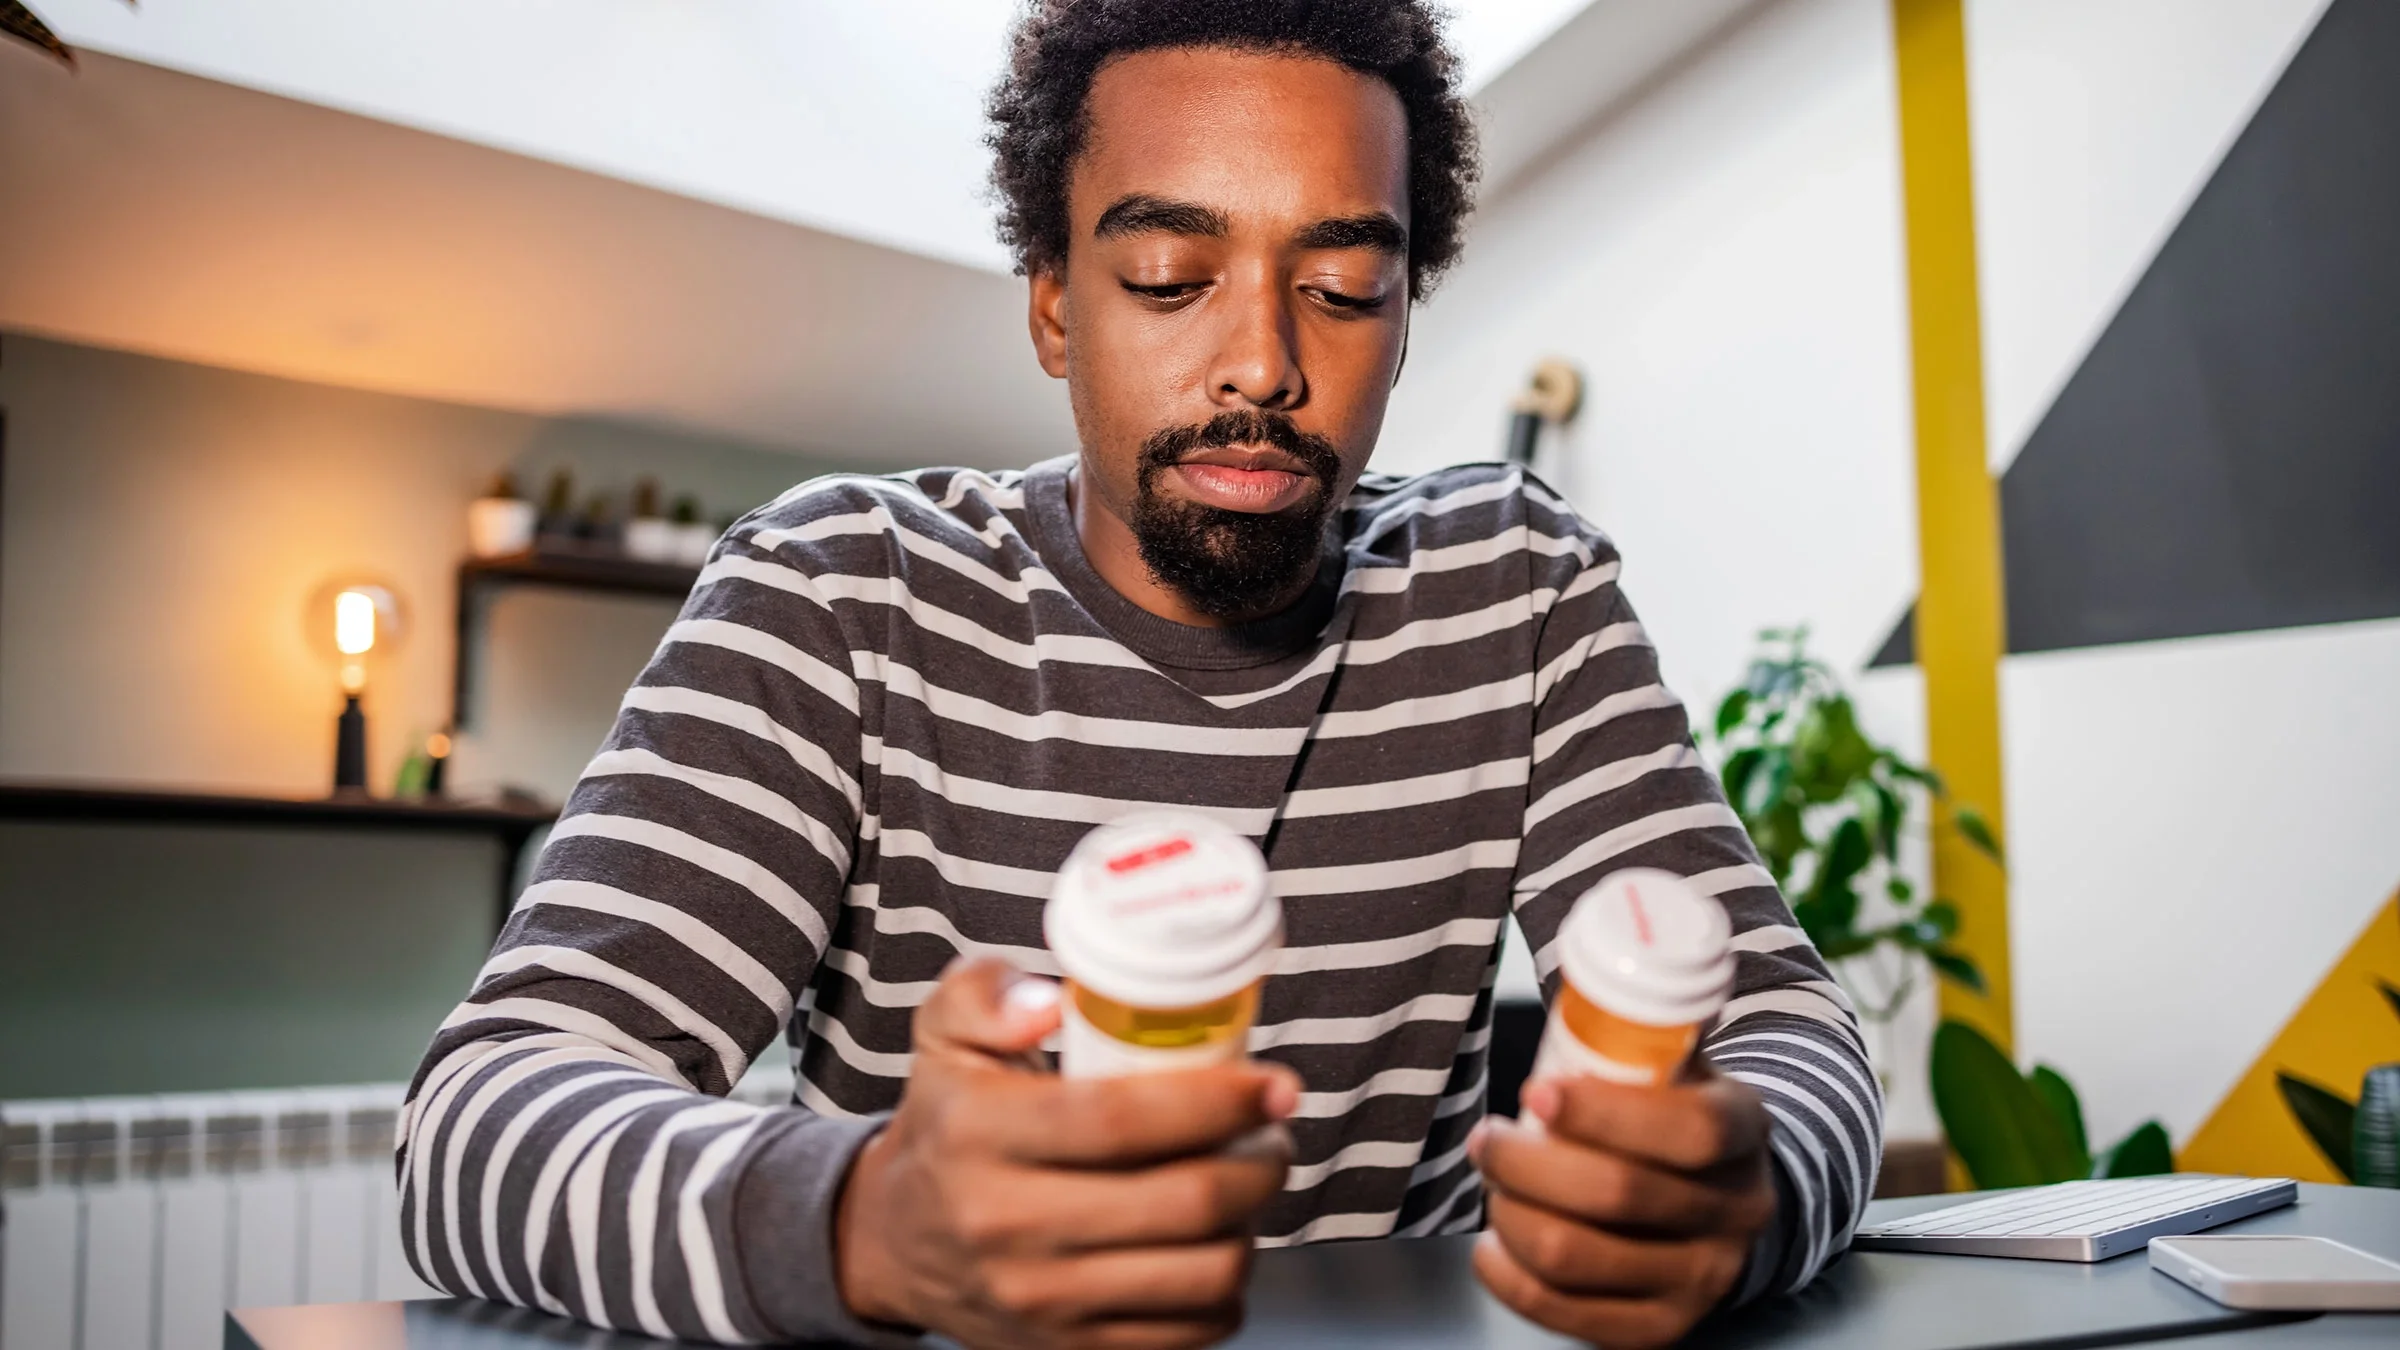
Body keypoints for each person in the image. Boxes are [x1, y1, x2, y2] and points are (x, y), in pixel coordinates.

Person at [397, 3, 1879, 1347]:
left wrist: (1738, 1190)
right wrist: (862, 1219)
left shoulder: (1516, 591)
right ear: (1054, 304)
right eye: (1172, 274)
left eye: (1347, 287)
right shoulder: (842, 590)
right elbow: (482, 1115)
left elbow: (1787, 1028)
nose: (1261, 362)